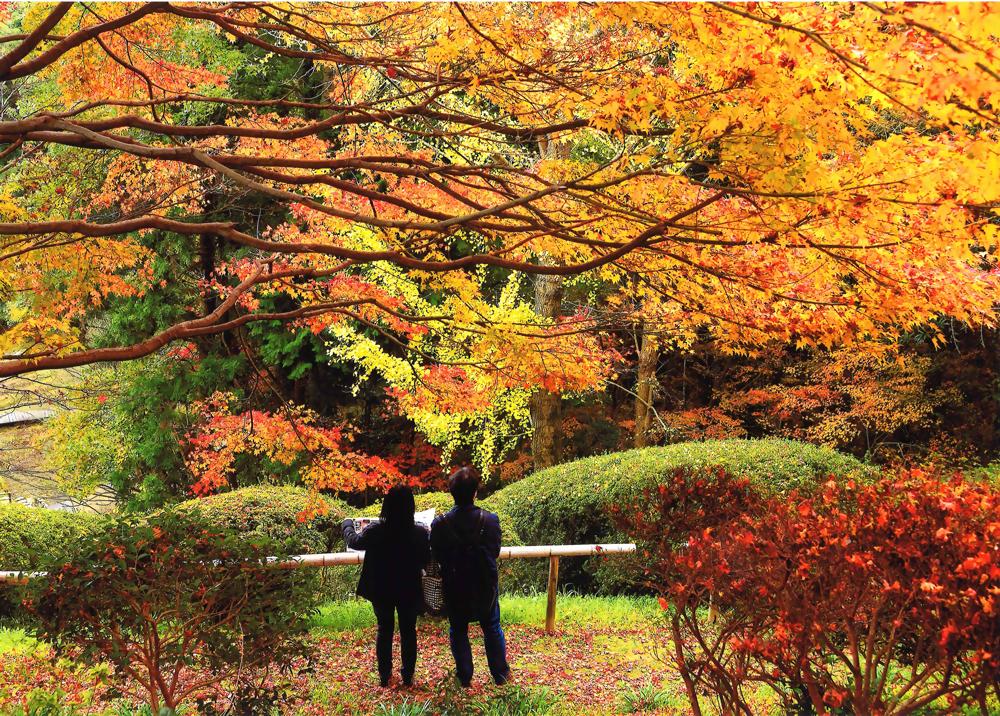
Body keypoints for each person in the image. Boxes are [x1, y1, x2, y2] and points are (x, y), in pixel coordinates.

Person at [431, 467, 511, 687]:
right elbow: (494, 551)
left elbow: (436, 555)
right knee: (492, 626)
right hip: (484, 584)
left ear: (452, 492)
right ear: (476, 491)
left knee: (458, 629)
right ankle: (500, 674)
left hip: (454, 585)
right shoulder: (491, 520)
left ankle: (464, 676)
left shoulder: (440, 524)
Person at [342, 485, 430, 688]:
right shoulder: (418, 533)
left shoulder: (377, 531)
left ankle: (384, 676)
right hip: (409, 589)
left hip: (381, 588)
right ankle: (408, 677)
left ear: (387, 506)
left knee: (384, 629)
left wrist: (347, 524)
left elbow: (354, 541)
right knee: (409, 631)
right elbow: (426, 558)